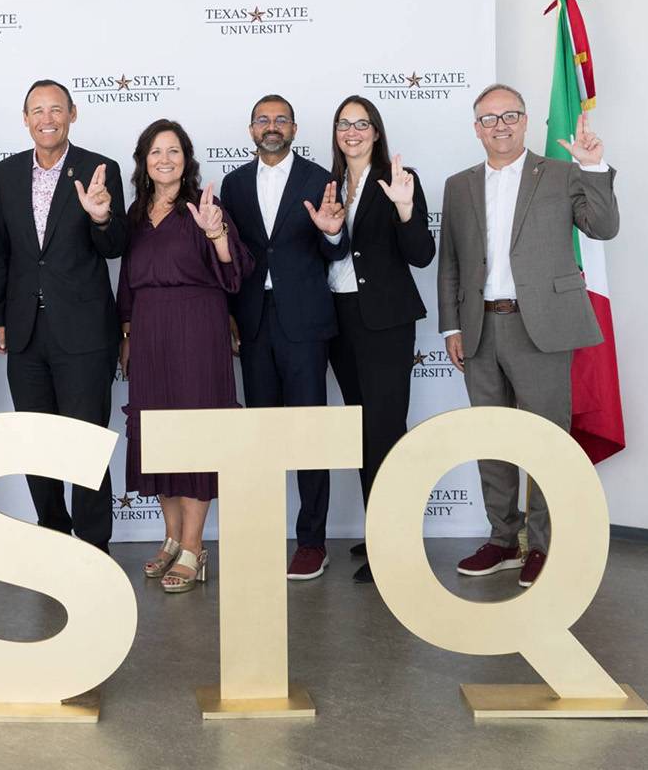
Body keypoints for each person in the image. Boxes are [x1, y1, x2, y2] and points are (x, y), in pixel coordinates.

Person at [438, 83, 619, 588]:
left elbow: (602, 228)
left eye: (510, 115)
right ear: (477, 128)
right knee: (492, 440)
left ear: (524, 119)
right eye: (489, 118)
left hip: (541, 325)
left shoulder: (561, 174)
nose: (500, 125)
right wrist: (451, 323)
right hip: (478, 329)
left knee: (544, 441)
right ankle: (503, 539)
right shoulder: (459, 185)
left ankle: (542, 545)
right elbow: (451, 260)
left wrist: (594, 168)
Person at [0, 79, 129, 551]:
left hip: (85, 332)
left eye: (56, 109)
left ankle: (94, 547)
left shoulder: (98, 169)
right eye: (37, 111)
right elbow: (0, 252)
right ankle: (53, 537)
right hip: (24, 331)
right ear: (25, 119)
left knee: (85, 442)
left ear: (72, 114)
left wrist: (101, 217)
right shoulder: (5, 174)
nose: (47, 118)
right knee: (35, 440)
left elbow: (114, 249)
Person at [118, 119, 252, 592]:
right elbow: (127, 285)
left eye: (173, 151)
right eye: (155, 152)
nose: (165, 159)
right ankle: (172, 538)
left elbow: (236, 274)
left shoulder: (204, 208)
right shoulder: (135, 214)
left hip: (198, 330)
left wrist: (216, 236)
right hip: (150, 333)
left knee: (198, 436)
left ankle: (195, 546)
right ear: (144, 161)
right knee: (159, 438)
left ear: (186, 159)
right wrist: (127, 332)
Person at [219, 94, 348, 580]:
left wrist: (333, 233)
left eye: (281, 119)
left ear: (294, 128)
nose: (271, 127)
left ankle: (313, 541)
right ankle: (260, 534)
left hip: (305, 325)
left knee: (308, 434)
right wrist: (229, 316)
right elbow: (227, 253)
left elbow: (337, 249)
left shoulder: (320, 180)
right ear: (251, 129)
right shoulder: (232, 184)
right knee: (261, 435)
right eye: (263, 120)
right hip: (253, 323)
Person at [322, 96, 435, 584]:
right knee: (361, 431)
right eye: (344, 124)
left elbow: (422, 254)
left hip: (385, 321)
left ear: (375, 131)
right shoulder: (328, 185)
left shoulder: (398, 182)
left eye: (361, 124)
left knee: (386, 428)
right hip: (339, 318)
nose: (352, 132)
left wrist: (407, 210)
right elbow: (328, 251)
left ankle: (396, 542)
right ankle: (379, 529)